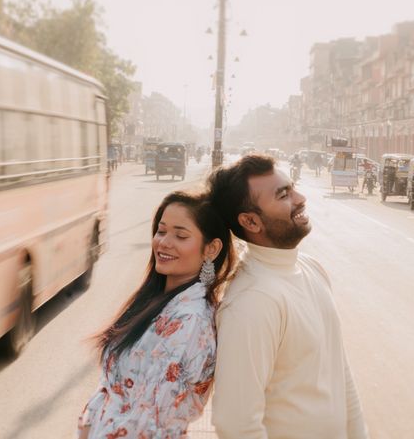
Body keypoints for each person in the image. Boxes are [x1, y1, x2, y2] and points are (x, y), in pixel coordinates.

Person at [206, 155, 368, 438]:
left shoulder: (311, 268)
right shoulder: (252, 301)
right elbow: (236, 424)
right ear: (251, 221)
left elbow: (339, 373)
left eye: (292, 187)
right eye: (283, 194)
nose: (301, 198)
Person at [77, 191, 237, 438]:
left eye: (180, 235)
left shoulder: (189, 321)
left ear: (211, 249)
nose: (163, 242)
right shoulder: (163, 300)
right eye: (161, 231)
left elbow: (144, 423)